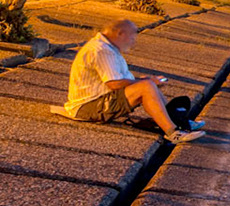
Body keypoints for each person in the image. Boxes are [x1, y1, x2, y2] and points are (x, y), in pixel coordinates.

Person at [61, 19, 204, 144]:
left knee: (148, 84)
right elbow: (113, 84)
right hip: (88, 107)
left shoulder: (106, 47)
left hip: (96, 102)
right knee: (147, 86)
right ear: (120, 34)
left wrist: (146, 80)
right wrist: (147, 82)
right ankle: (173, 133)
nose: (134, 40)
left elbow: (116, 80)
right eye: (132, 35)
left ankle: (178, 121)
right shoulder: (102, 50)